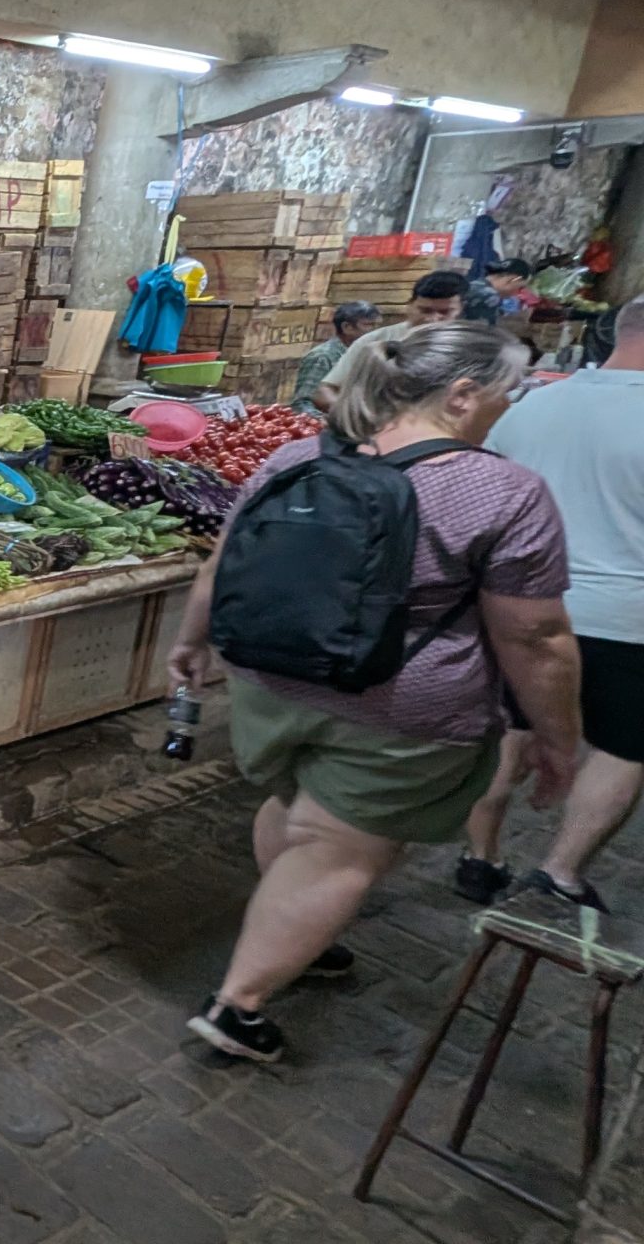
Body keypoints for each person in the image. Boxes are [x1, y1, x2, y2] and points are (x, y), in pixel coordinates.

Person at [166, 321, 582, 1062]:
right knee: (337, 848)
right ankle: (239, 1006)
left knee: (295, 808)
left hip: (272, 680)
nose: (510, 405)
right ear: (461, 395)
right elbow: (535, 636)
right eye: (506, 391)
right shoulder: (502, 490)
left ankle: (301, 929)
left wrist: (191, 643)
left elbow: (219, 565)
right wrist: (556, 736)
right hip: (396, 708)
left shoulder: (299, 456)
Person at [457, 297, 644, 909]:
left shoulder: (534, 404)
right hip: (627, 617)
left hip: (517, 606)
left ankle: (478, 858)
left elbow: (484, 488)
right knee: (624, 746)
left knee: (507, 730)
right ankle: (559, 872)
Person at [310, 270, 466, 415]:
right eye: (425, 310)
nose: (432, 319)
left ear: (461, 310)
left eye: (445, 312)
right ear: (409, 305)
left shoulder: (471, 349)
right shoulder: (375, 341)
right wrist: (357, 418)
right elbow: (325, 391)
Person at [293, 302, 382, 416]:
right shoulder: (323, 356)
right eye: (369, 325)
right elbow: (302, 404)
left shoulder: (366, 354)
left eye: (377, 326)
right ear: (347, 327)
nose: (376, 331)